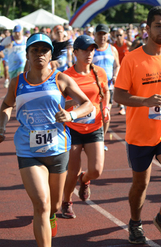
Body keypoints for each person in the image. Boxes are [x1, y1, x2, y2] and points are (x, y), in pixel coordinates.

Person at [0, 33, 92, 245]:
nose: (39, 54)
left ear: (50, 55)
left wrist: (71, 115)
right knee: (41, 203)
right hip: (29, 150)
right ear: (27, 55)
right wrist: (2, 126)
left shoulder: (60, 79)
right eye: (35, 50)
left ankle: (52, 216)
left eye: (44, 50)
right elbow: (6, 105)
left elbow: (87, 104)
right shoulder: (17, 82)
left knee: (54, 205)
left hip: (57, 149)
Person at [113, 6, 161, 244]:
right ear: (148, 28)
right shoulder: (132, 59)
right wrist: (146, 101)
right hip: (139, 134)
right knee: (141, 184)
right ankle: (135, 222)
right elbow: (118, 96)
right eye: (159, 25)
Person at [61, 35, 110, 218]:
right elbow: (58, 104)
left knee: (96, 170)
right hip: (73, 128)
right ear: (75, 53)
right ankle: (66, 202)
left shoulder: (99, 73)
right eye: (85, 50)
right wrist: (73, 104)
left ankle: (85, 179)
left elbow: (105, 94)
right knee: (71, 172)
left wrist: (105, 108)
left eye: (92, 49)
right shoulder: (65, 76)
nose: (89, 53)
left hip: (94, 127)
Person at [92, 24, 120, 139]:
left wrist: (115, 76)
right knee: (95, 114)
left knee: (106, 114)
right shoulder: (91, 50)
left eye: (104, 34)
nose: (102, 36)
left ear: (108, 35)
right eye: (99, 34)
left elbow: (117, 66)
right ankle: (93, 137)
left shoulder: (112, 49)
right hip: (94, 88)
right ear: (95, 35)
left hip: (108, 88)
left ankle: (101, 139)